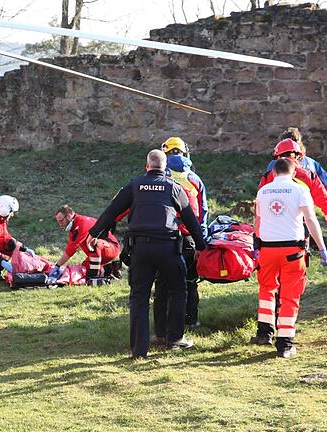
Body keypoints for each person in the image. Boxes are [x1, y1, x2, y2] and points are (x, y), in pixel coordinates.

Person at [87, 149, 206, 358]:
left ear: (147, 166)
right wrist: (201, 246)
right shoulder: (174, 187)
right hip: (168, 247)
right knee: (178, 290)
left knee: (139, 297)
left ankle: (139, 351)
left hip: (140, 249)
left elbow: (111, 211)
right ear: (165, 167)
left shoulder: (134, 185)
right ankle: (175, 338)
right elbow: (190, 219)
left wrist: (94, 233)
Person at [251, 158, 327, 358]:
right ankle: (285, 343)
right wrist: (322, 248)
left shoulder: (263, 191)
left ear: (274, 173)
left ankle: (264, 333)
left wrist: (256, 247)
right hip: (292, 251)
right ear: (294, 172)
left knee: (266, 289)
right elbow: (311, 220)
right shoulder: (299, 190)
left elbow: (258, 221)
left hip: (267, 250)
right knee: (289, 296)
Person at [153, 138, 209, 343]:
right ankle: (190, 320)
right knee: (189, 282)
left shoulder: (159, 176)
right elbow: (203, 213)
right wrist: (200, 240)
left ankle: (161, 329)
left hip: (164, 237)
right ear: (186, 153)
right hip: (188, 239)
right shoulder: (194, 179)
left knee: (163, 284)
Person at [260, 139, 327, 256]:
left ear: (277, 159)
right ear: (300, 157)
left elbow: (258, 213)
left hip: (269, 242)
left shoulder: (267, 178)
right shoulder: (309, 177)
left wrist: (257, 243)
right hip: (297, 241)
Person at [271, 127, 327, 226]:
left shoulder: (274, 165)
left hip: (279, 215)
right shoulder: (311, 165)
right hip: (305, 216)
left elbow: (264, 192)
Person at [48, 205, 121, 283]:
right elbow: (69, 248)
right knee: (83, 268)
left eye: (61, 221)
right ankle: (108, 271)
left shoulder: (81, 223)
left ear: (68, 216)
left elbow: (71, 250)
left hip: (110, 247)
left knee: (94, 243)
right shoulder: (74, 227)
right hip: (103, 250)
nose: (60, 224)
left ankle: (95, 278)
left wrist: (57, 266)